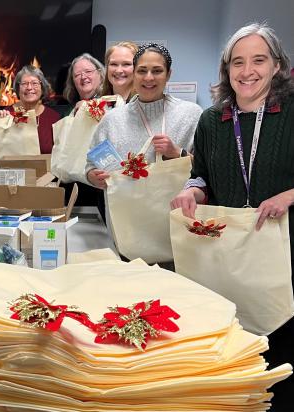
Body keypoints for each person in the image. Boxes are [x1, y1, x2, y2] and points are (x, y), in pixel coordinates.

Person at [170, 23, 294, 409]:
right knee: (230, 338)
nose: (247, 71)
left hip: (284, 253)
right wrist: (192, 190)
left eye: (259, 60)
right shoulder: (212, 120)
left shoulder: (290, 113)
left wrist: (289, 195)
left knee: (280, 349)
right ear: (226, 70)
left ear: (277, 66)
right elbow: (201, 172)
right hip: (227, 253)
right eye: (237, 62)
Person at [86, 43, 202, 189]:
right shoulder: (112, 119)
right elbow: (91, 164)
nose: (149, 78)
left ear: (168, 74)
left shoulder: (191, 114)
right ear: (134, 73)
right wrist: (92, 177)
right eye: (142, 71)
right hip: (124, 209)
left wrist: (179, 153)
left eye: (157, 71)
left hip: (177, 209)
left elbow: (208, 168)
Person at [0, 65, 60, 154]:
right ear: (18, 89)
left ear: (42, 87)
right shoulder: (7, 114)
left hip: (47, 168)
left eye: (35, 83)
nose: (29, 87)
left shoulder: (54, 117)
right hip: (15, 167)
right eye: (24, 83)